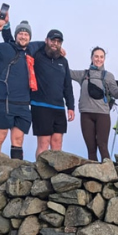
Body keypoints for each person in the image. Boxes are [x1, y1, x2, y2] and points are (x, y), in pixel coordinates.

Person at [0, 13, 41, 160]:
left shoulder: (32, 49)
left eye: (26, 34)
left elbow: (48, 43)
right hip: (4, 100)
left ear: (30, 37)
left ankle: (16, 175)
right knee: (0, 137)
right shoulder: (5, 48)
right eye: (21, 33)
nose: (23, 36)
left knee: (18, 140)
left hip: (23, 103)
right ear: (16, 35)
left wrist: (60, 50)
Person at [30, 30, 76, 158]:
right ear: (46, 40)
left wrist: (71, 106)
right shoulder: (37, 56)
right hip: (40, 105)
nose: (55, 44)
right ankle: (40, 174)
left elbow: (67, 85)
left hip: (59, 107)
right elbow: (27, 45)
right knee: (43, 143)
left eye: (58, 42)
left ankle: (55, 175)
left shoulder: (63, 61)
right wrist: (44, 44)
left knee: (57, 142)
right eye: (52, 40)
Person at [70, 47, 118, 161]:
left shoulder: (108, 76)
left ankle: (109, 174)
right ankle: (93, 177)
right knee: (91, 149)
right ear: (91, 58)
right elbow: (67, 72)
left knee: (102, 146)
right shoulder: (83, 74)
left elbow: (116, 94)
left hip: (102, 114)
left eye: (101, 57)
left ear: (104, 59)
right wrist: (60, 56)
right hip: (86, 113)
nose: (99, 59)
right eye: (96, 56)